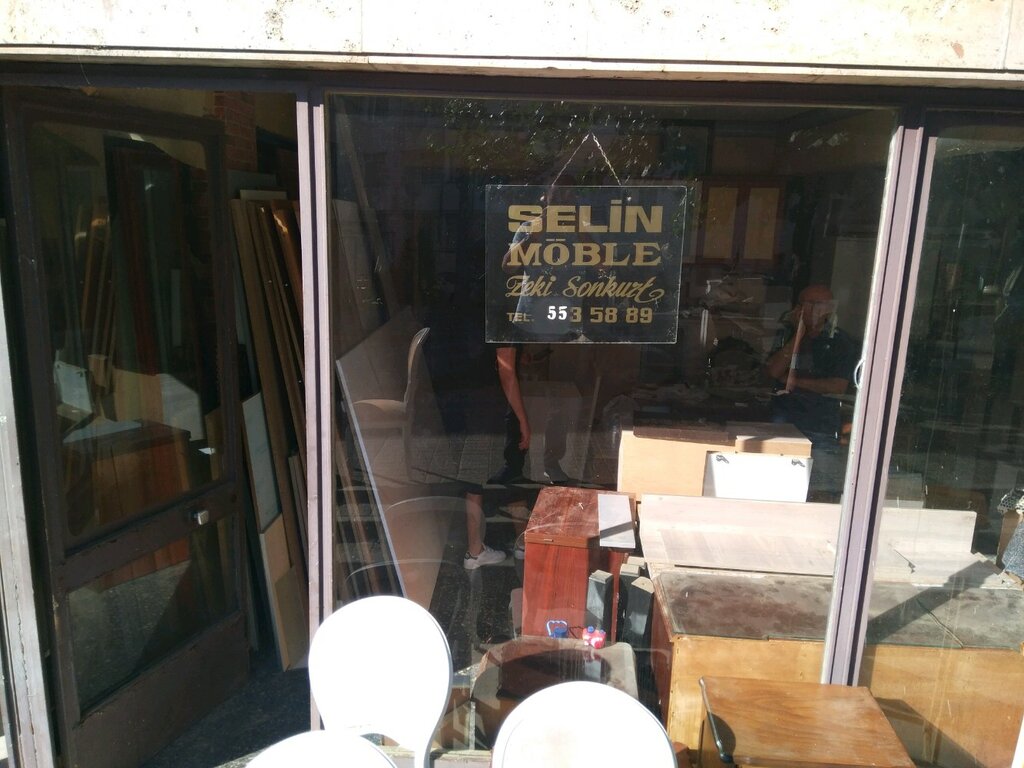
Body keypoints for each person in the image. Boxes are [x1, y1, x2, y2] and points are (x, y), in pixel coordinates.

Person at [764, 284, 858, 443]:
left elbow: (837, 386)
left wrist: (793, 381)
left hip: (819, 423)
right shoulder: (786, 334)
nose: (813, 310)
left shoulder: (840, 342)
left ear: (830, 309)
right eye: (808, 304)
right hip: (783, 417)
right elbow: (774, 371)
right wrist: (798, 334)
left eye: (819, 305)